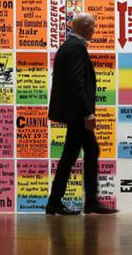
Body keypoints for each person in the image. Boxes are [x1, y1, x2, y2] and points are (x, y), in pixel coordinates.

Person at [47, 14, 118, 215]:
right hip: (78, 113)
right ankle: (67, 202)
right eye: (94, 26)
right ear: (85, 27)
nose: (95, 29)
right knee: (79, 153)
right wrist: (88, 112)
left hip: (73, 112)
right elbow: (77, 83)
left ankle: (80, 201)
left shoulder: (68, 46)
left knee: (80, 152)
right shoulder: (77, 48)